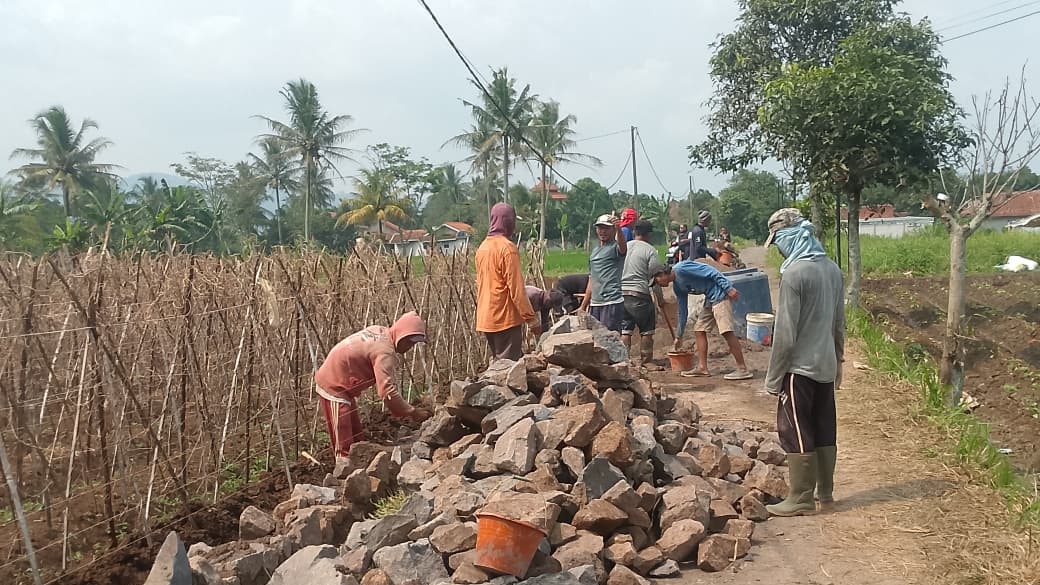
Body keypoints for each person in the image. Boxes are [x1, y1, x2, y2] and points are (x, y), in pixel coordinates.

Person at [761, 208, 845, 517]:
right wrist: (839, 360)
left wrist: (772, 379)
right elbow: (839, 323)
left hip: (799, 370)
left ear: (790, 237)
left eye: (779, 242)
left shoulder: (795, 274)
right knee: (824, 427)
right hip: (825, 366)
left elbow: (785, 333)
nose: (780, 249)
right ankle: (825, 492)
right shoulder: (832, 270)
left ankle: (800, 498)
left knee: (794, 429)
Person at [314, 311, 433, 474]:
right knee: (343, 433)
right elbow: (386, 391)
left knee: (355, 432)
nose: (410, 347)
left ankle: (358, 464)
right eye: (410, 342)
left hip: (343, 382)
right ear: (402, 335)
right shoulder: (385, 352)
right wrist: (412, 412)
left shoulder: (381, 332)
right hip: (333, 382)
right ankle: (344, 473)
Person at [651, 261, 753, 380]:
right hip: (710, 299)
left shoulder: (682, 268)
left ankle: (742, 369)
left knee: (726, 331)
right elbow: (682, 312)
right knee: (699, 330)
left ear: (662, 273)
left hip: (720, 295)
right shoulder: (678, 287)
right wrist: (679, 336)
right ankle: (702, 368)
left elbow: (711, 272)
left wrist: (728, 288)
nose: (658, 284)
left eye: (656, 280)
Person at [476, 203, 538, 360]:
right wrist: (531, 318)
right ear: (509, 222)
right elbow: (516, 289)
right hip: (505, 318)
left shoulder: (482, 248)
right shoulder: (507, 249)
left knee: (499, 363)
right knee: (508, 370)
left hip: (486, 317)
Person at [621, 219, 666, 363]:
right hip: (639, 294)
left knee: (625, 330)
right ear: (649, 235)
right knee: (647, 330)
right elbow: (656, 278)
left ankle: (624, 361)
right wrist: (660, 300)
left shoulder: (624, 247)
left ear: (634, 232)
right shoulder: (649, 250)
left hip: (621, 294)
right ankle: (646, 362)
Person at [579, 214, 628, 332]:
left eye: (606, 228)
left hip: (611, 302)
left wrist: (619, 229)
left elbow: (623, 247)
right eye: (600, 228)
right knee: (596, 339)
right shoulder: (594, 252)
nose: (602, 232)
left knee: (610, 339)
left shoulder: (615, 248)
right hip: (596, 303)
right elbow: (592, 280)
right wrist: (583, 305)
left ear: (613, 230)